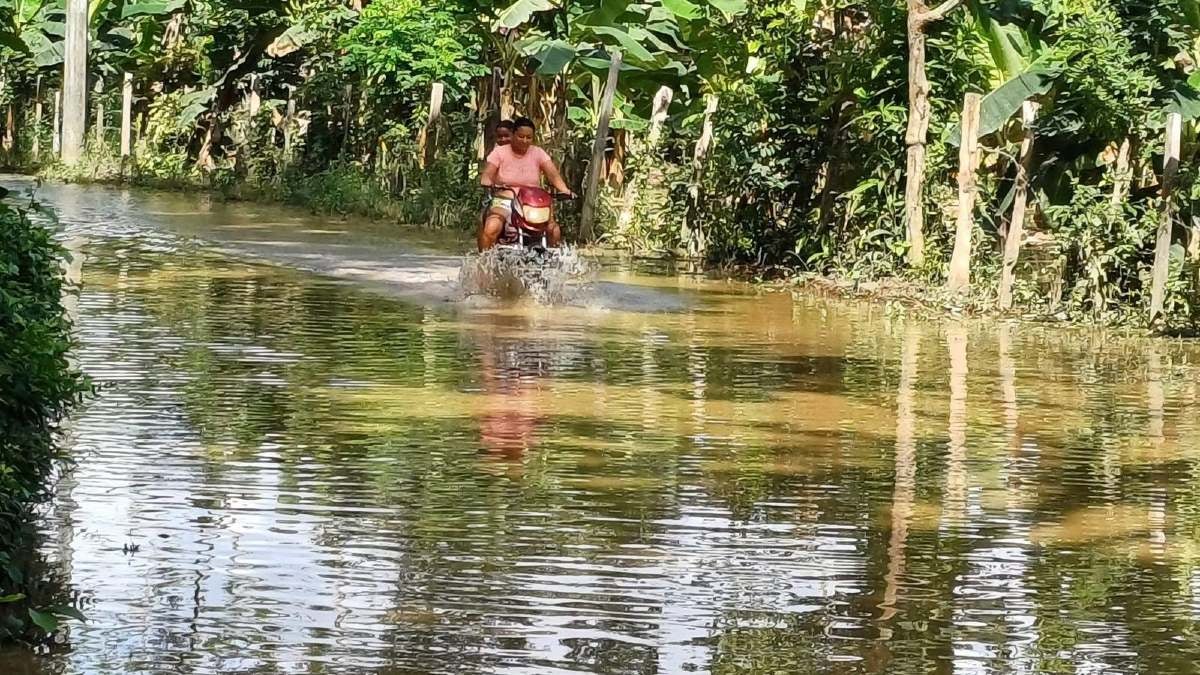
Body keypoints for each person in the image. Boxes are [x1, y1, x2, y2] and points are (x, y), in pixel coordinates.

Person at [478, 117, 573, 251]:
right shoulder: (500, 152)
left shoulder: (538, 153)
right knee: (492, 227)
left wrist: (565, 191)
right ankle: (485, 261)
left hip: (534, 202)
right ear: (513, 135)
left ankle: (554, 262)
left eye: (528, 137)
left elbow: (553, 175)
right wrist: (487, 182)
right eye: (521, 136)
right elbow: (487, 174)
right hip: (506, 199)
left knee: (554, 230)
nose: (524, 140)